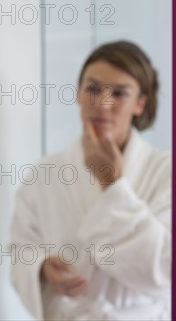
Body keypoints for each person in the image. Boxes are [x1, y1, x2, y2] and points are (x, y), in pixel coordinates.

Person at [9, 41, 171, 320]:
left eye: (119, 93)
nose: (102, 104)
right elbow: (20, 250)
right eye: (93, 89)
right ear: (78, 93)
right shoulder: (44, 172)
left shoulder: (165, 171)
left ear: (140, 104)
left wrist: (112, 184)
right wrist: (42, 269)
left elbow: (163, 266)